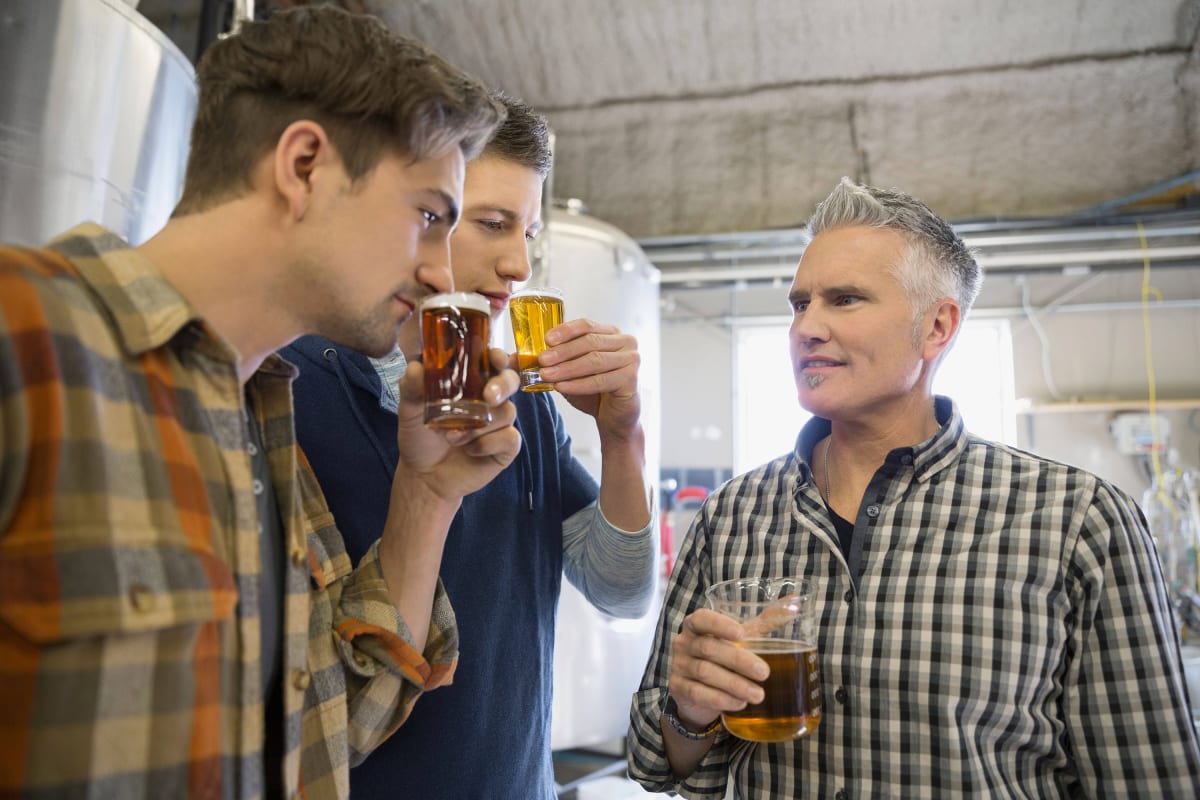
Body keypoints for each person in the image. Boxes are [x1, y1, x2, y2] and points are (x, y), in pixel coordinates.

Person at [0, 8, 520, 799]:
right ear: (304, 164)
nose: (441, 273)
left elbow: (329, 730)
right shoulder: (25, 334)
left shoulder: (259, 418)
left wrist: (428, 492)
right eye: (427, 216)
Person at [628, 177, 1200, 798]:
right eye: (799, 304)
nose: (806, 328)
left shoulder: (1075, 519)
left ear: (936, 327)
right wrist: (689, 710)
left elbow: (1150, 778)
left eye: (844, 300)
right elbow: (659, 765)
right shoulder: (734, 514)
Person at [280, 93, 656, 798]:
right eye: (492, 223)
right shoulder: (290, 393)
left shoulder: (523, 401)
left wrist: (621, 437)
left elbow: (620, 591)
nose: (518, 264)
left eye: (531, 233)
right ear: (417, 213)